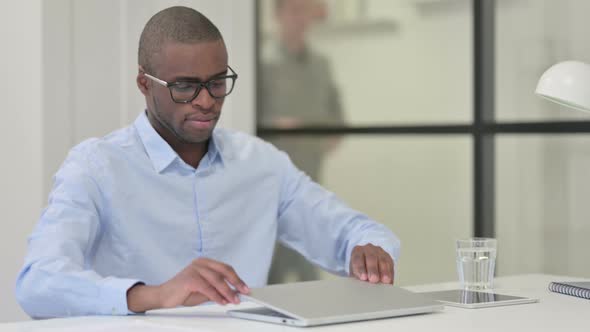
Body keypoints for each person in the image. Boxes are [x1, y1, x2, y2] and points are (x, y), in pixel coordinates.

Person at [15, 6, 400, 318]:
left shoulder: (261, 163)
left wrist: (364, 250)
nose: (206, 100)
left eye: (217, 82)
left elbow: (357, 232)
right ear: (144, 84)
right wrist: (156, 294)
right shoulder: (96, 167)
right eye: (185, 86)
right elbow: (38, 282)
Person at [260, 0, 345, 283]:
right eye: (293, 10)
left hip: (312, 179)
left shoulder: (321, 64)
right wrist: (277, 126)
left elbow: (337, 113)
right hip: (271, 187)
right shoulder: (262, 63)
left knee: (310, 267)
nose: (300, 18)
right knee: (271, 273)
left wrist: (334, 133)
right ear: (278, 15)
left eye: (305, 11)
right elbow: (246, 121)